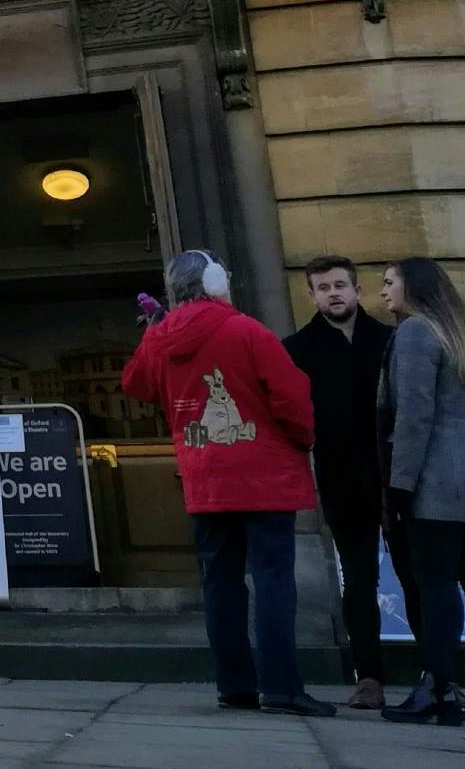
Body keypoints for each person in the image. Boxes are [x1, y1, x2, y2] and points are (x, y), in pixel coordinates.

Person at [122, 249, 333, 716]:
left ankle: (234, 685)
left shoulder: (162, 338)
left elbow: (135, 385)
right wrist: (303, 442)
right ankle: (281, 686)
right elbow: (293, 398)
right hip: (263, 475)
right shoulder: (247, 331)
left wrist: (155, 329)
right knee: (274, 579)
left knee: (220, 583)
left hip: (206, 477)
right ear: (217, 281)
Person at [376, 259, 465, 727]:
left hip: (435, 483)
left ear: (413, 287)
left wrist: (399, 485)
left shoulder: (416, 332)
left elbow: (414, 417)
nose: (383, 292)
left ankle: (436, 689)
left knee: (435, 588)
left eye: (389, 282)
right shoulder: (459, 332)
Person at [283, 257, 400, 709]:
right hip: (341, 477)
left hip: (395, 477)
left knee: (414, 574)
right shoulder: (297, 349)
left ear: (356, 290)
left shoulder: (389, 341)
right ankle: (369, 676)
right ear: (311, 296)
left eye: (339, 285)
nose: (333, 294)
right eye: (323, 287)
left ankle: (436, 673)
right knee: (359, 578)